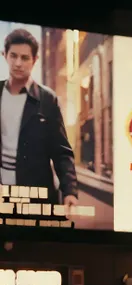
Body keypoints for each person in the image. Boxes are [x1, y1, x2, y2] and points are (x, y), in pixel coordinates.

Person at [0, 28, 78, 208]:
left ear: (35, 60)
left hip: (36, 195)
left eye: (25, 58)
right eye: (13, 56)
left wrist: (70, 191)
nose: (18, 63)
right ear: (5, 56)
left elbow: (61, 152)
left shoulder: (47, 99)